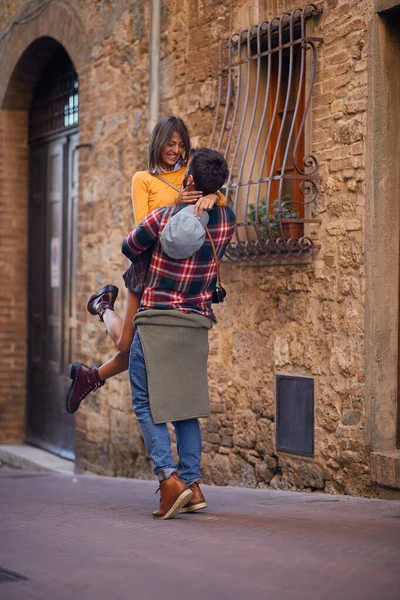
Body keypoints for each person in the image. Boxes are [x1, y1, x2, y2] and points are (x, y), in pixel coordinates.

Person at [65, 116, 226, 414]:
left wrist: (214, 195)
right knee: (127, 345)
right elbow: (143, 224)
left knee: (137, 349)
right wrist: (176, 202)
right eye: (170, 144)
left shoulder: (189, 174)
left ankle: (90, 377)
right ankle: (104, 307)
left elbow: (220, 199)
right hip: (147, 267)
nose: (176, 150)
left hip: (176, 274)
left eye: (181, 145)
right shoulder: (143, 179)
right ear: (158, 144)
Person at [122, 148, 236, 519]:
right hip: (196, 321)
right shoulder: (226, 219)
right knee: (186, 407)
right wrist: (211, 199)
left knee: (145, 403)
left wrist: (174, 205)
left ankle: (169, 482)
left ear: (188, 181)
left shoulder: (163, 216)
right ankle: (194, 485)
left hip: (156, 319)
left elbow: (129, 246)